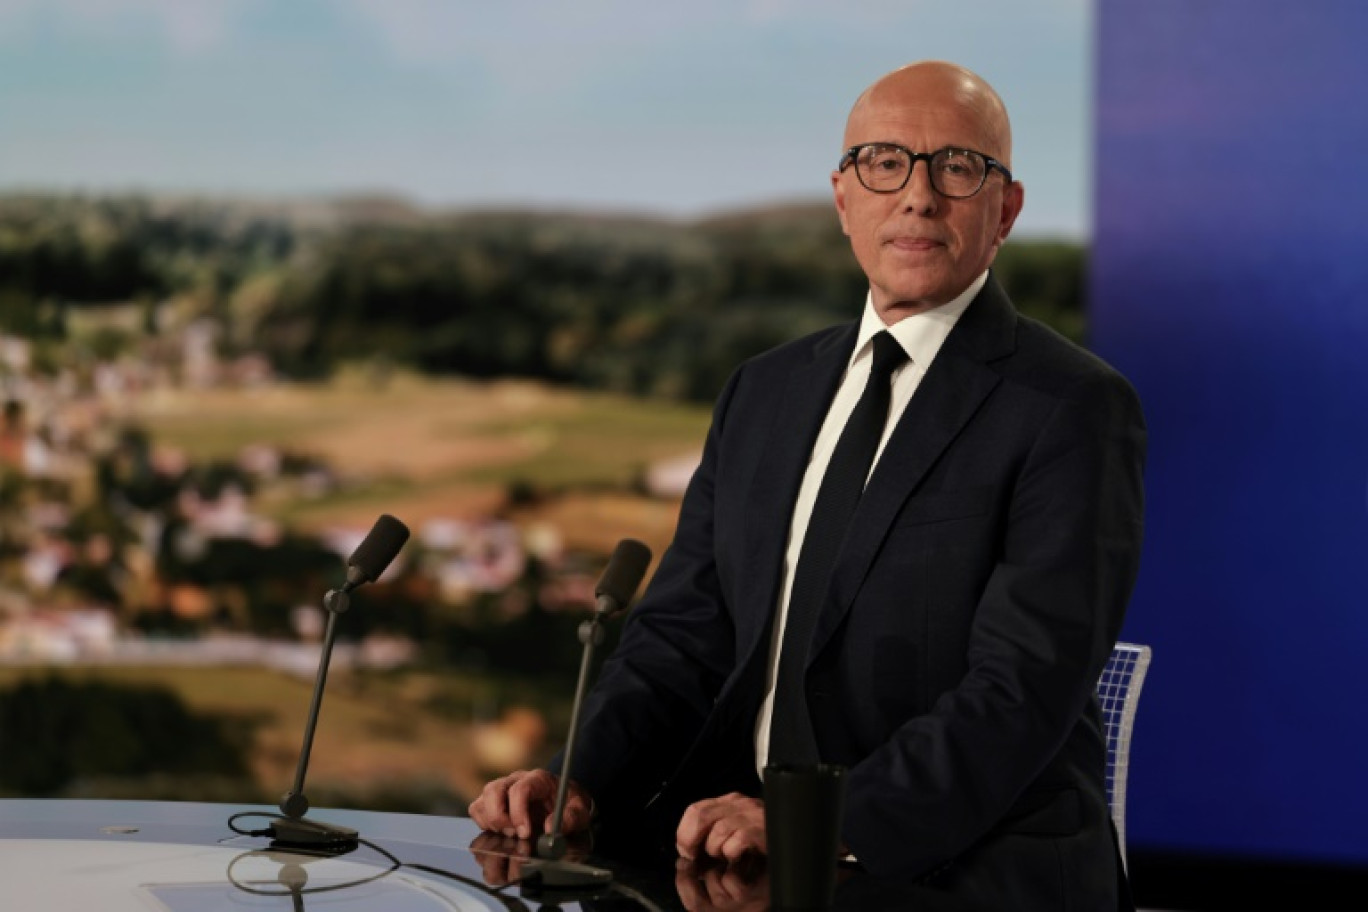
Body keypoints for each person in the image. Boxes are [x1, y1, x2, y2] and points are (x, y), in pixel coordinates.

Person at [470, 60, 1146, 910]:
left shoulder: (1073, 407)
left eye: (959, 167)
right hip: (732, 854)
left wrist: (820, 821)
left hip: (959, 863)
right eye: (884, 162)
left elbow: (1022, 690)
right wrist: (579, 779)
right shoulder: (765, 389)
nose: (918, 196)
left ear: (1005, 209)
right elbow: (684, 636)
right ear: (842, 199)